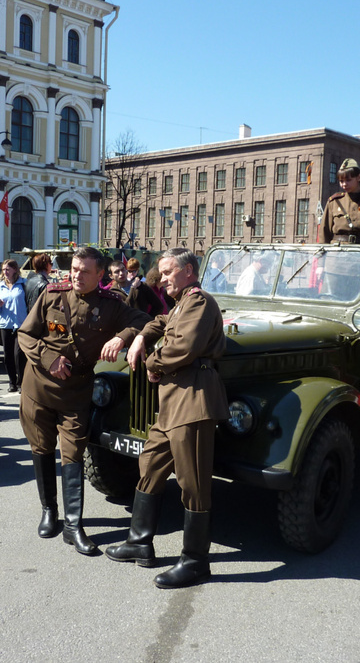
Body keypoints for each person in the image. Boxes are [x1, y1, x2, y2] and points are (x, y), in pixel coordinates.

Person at [107, 248, 229, 589]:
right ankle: (139, 541)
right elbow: (161, 322)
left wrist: (151, 362)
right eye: (160, 273)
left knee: (193, 483)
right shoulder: (182, 304)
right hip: (173, 401)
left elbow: (184, 347)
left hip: (193, 399)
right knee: (150, 463)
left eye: (167, 272)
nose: (161, 279)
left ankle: (195, 561)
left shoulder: (200, 302)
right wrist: (140, 336)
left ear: (188, 271)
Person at [17, 246, 150, 556]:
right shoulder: (51, 295)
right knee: (41, 448)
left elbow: (145, 321)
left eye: (84, 271)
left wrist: (124, 336)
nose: (76, 275)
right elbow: (26, 334)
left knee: (73, 452)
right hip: (38, 386)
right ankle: (49, 510)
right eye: (74, 269)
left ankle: (73, 525)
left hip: (76, 391)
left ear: (100, 275)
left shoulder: (112, 305)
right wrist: (49, 358)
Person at [320, 158, 360, 256]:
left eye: (348, 180)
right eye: (341, 181)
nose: (344, 184)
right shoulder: (334, 202)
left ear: (359, 177)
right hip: (335, 256)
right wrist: (321, 263)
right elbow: (324, 234)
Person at [0, 258, 27, 393]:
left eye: (8, 269)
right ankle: (12, 382)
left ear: (15, 270)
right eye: (3, 270)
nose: (5, 272)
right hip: (5, 324)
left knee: (19, 355)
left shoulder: (23, 284)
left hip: (21, 324)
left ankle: (21, 382)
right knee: (8, 356)